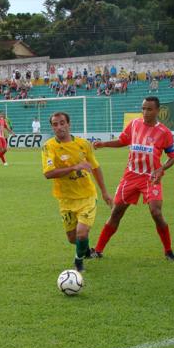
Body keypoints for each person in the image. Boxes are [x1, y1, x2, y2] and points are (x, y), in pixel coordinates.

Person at [93, 96, 174, 261]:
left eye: (149, 109)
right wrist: (104, 144)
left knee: (156, 212)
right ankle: (98, 250)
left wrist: (161, 168)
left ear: (157, 110)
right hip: (130, 176)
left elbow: (173, 157)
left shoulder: (164, 133)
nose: (145, 112)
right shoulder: (134, 124)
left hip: (151, 178)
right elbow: (123, 141)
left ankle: (168, 251)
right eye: (143, 108)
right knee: (116, 213)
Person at [42, 112, 113, 272]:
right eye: (55, 124)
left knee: (81, 233)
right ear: (52, 127)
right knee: (73, 238)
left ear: (69, 124)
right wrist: (75, 167)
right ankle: (86, 251)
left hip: (87, 196)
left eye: (62, 123)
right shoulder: (49, 146)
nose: (59, 127)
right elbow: (48, 173)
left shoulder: (83, 144)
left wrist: (104, 192)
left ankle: (78, 263)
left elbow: (95, 167)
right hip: (65, 198)